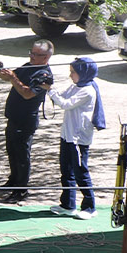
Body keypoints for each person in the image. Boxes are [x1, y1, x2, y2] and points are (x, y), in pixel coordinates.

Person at [0, 40, 54, 204]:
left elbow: (27, 93)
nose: (32, 57)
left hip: (25, 120)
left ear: (46, 57)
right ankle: (13, 182)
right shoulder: (28, 66)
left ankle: (21, 190)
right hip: (13, 117)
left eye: (36, 55)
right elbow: (9, 77)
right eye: (31, 52)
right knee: (12, 152)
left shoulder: (44, 75)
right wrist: (1, 72)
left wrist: (13, 77)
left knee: (22, 156)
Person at [46, 57, 104, 219]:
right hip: (67, 136)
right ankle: (68, 205)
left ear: (83, 73)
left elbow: (66, 104)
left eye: (73, 72)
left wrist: (50, 90)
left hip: (78, 139)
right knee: (66, 171)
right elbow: (61, 96)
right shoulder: (76, 86)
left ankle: (90, 207)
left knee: (80, 172)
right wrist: (50, 87)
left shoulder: (87, 90)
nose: (70, 75)